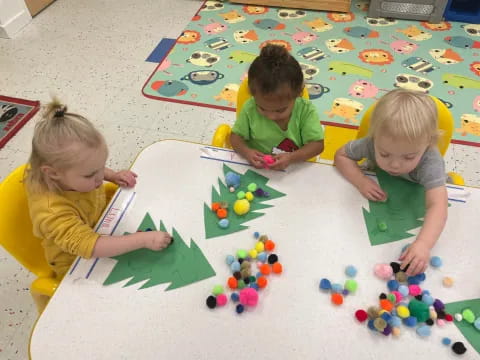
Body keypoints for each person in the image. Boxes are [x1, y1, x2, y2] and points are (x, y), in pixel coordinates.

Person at [25, 99, 172, 279]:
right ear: (53, 173)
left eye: (101, 167)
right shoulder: (51, 212)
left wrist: (112, 175)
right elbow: (92, 246)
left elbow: (92, 169)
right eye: (90, 175)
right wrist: (144, 240)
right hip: (76, 264)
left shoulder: (70, 174)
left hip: (101, 223)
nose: (99, 178)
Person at [334, 89, 448, 276]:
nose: (394, 165)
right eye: (384, 154)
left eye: (409, 157)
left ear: (428, 143)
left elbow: (438, 205)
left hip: (411, 200)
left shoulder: (431, 161)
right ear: (375, 136)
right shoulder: (371, 143)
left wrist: (423, 244)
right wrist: (361, 181)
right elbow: (341, 155)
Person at [230, 44, 324, 170]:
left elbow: (317, 145)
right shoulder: (250, 108)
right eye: (262, 108)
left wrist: (291, 157)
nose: (271, 116)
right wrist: (247, 152)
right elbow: (235, 137)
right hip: (257, 169)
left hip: (294, 168)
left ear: (298, 94)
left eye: (280, 110)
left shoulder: (305, 111)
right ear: (253, 95)